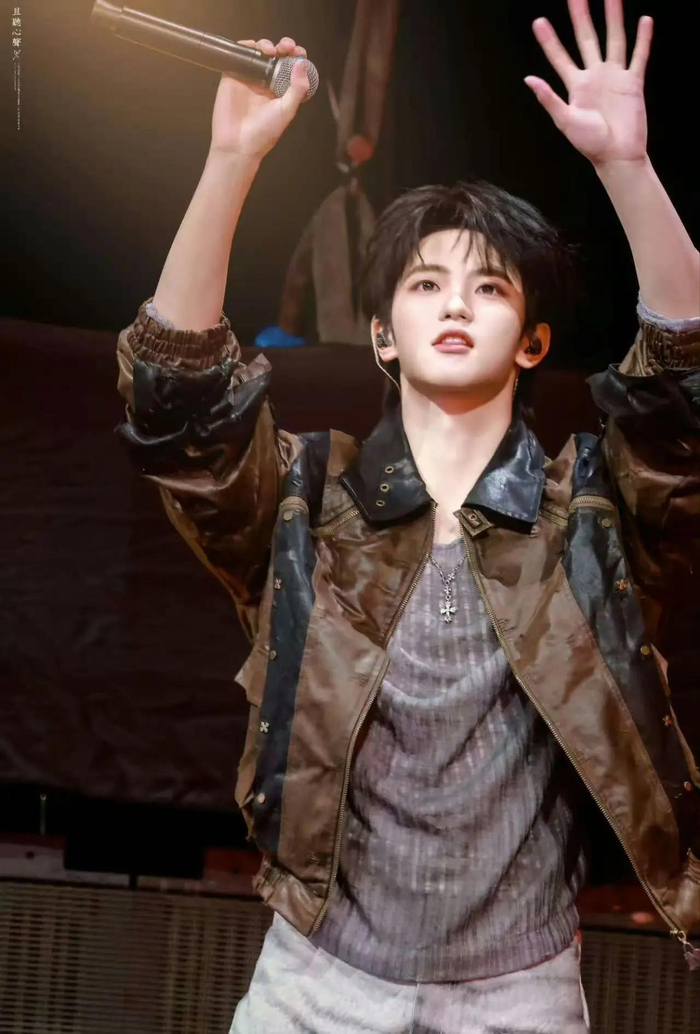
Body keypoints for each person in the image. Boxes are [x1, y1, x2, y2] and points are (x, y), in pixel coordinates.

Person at [115, 3, 700, 1031]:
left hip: (520, 994)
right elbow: (179, 408)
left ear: (531, 339)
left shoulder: (589, 519)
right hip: (318, 984)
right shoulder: (306, 507)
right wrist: (231, 160)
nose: (457, 302)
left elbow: (683, 399)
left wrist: (627, 168)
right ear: (383, 334)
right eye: (426, 283)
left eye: (490, 287)